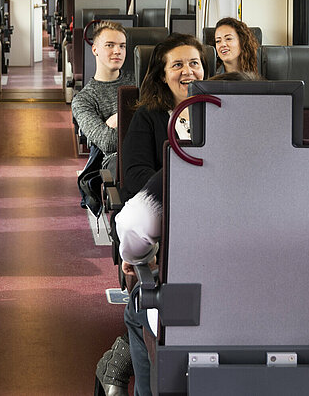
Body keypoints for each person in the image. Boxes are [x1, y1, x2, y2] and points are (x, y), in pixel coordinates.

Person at [113, 71, 252, 396]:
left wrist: (139, 260)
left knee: (137, 308)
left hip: (194, 317)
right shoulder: (307, 168)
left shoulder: (183, 168)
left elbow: (131, 225)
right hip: (287, 327)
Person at [119, 34, 206, 201]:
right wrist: (182, 193)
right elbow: (136, 175)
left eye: (194, 63)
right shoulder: (147, 115)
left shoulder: (220, 113)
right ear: (163, 76)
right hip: (162, 204)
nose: (188, 71)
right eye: (177, 65)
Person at [72, 21, 132, 174]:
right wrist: (134, 116)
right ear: (95, 49)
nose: (117, 51)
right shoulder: (83, 100)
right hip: (116, 164)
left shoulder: (139, 83)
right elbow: (109, 142)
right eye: (110, 45)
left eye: (122, 46)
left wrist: (117, 119)